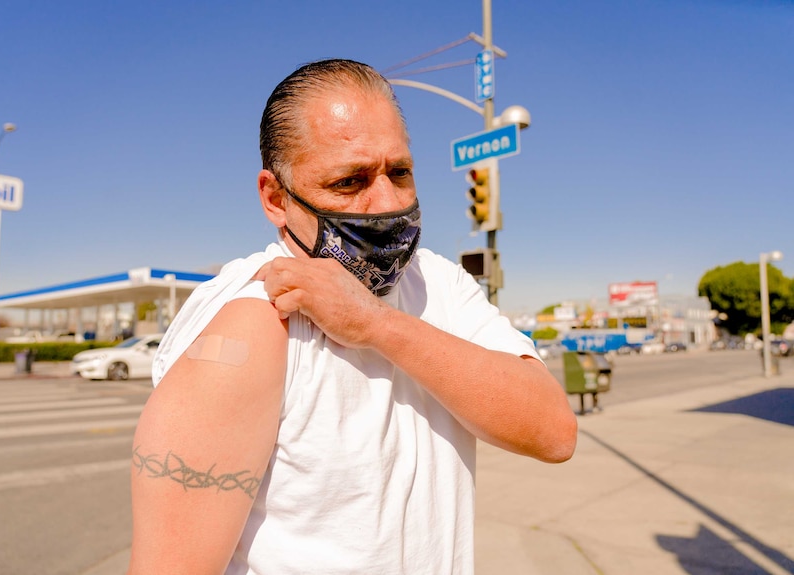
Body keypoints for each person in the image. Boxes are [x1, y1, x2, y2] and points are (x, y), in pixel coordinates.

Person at [127, 58, 577, 575]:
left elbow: (553, 433)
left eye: (400, 172)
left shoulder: (439, 282)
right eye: (349, 181)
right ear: (276, 199)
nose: (385, 203)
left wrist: (376, 324)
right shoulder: (251, 317)